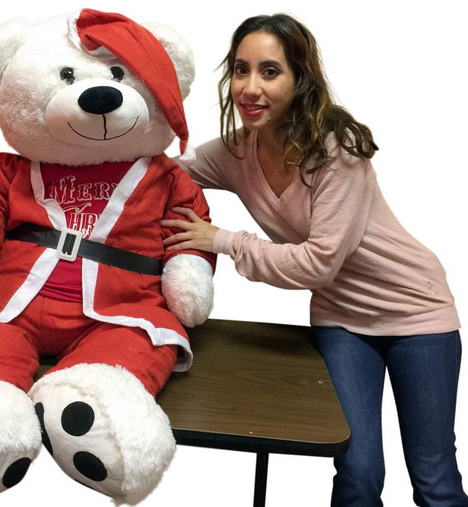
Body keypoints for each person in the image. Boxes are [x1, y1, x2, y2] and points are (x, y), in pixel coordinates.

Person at [161, 13, 468, 507]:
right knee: (358, 471)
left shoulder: (336, 150)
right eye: (241, 69)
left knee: (434, 481)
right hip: (342, 322)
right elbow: (165, 171)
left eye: (270, 71)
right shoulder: (238, 151)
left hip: (417, 315)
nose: (250, 87)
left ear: (300, 79)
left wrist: (222, 240)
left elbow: (317, 264)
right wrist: (88, 146)